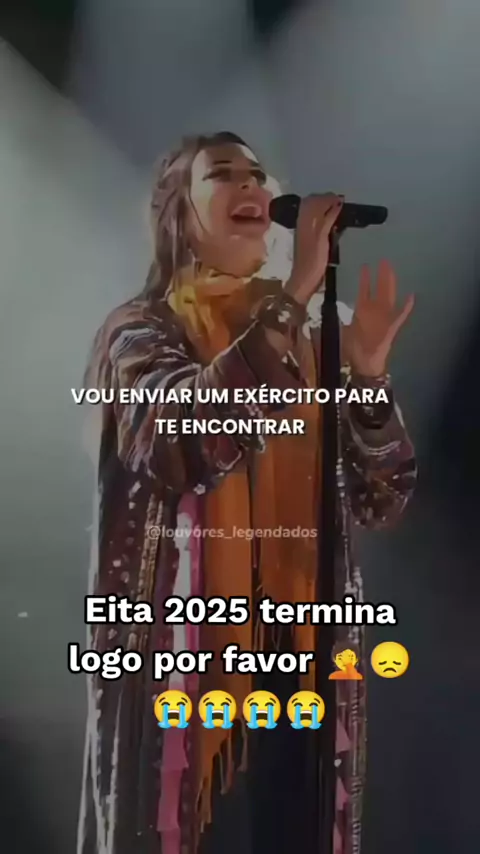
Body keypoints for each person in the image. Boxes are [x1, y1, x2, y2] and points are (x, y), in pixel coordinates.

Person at [77, 131, 417, 854]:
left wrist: (368, 379)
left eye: (258, 175)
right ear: (177, 211)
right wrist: (294, 298)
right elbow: (185, 442)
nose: (250, 186)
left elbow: (382, 498)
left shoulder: (312, 343)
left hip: (302, 668)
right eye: (223, 174)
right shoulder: (138, 333)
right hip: (186, 681)